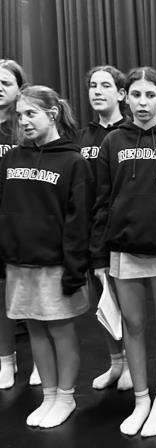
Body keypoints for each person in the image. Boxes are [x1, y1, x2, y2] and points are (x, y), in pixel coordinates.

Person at [91, 67, 156, 437]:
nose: (143, 102)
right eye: (136, 94)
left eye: (150, 95)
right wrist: (98, 255)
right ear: (126, 97)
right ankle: (141, 400)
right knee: (132, 326)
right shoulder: (112, 141)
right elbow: (102, 201)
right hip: (123, 249)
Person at [0, 85, 92, 427]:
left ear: (52, 115)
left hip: (55, 266)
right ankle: (49, 395)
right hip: (19, 264)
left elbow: (79, 220)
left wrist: (74, 269)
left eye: (31, 114)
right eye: (20, 115)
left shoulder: (73, 161)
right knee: (36, 330)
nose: (23, 121)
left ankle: (66, 397)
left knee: (60, 330)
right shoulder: (11, 159)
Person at [77, 65, 132, 392]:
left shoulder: (128, 134)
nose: (97, 91)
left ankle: (133, 364)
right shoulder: (82, 137)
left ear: (121, 94)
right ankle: (116, 362)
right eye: (93, 85)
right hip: (90, 233)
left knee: (128, 306)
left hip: (121, 233)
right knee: (103, 304)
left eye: (105, 85)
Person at [0, 59, 41, 389]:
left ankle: (42, 362)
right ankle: (6, 359)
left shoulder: (28, 126)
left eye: (5, 82)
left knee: (33, 293)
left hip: (24, 221)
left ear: (20, 88)